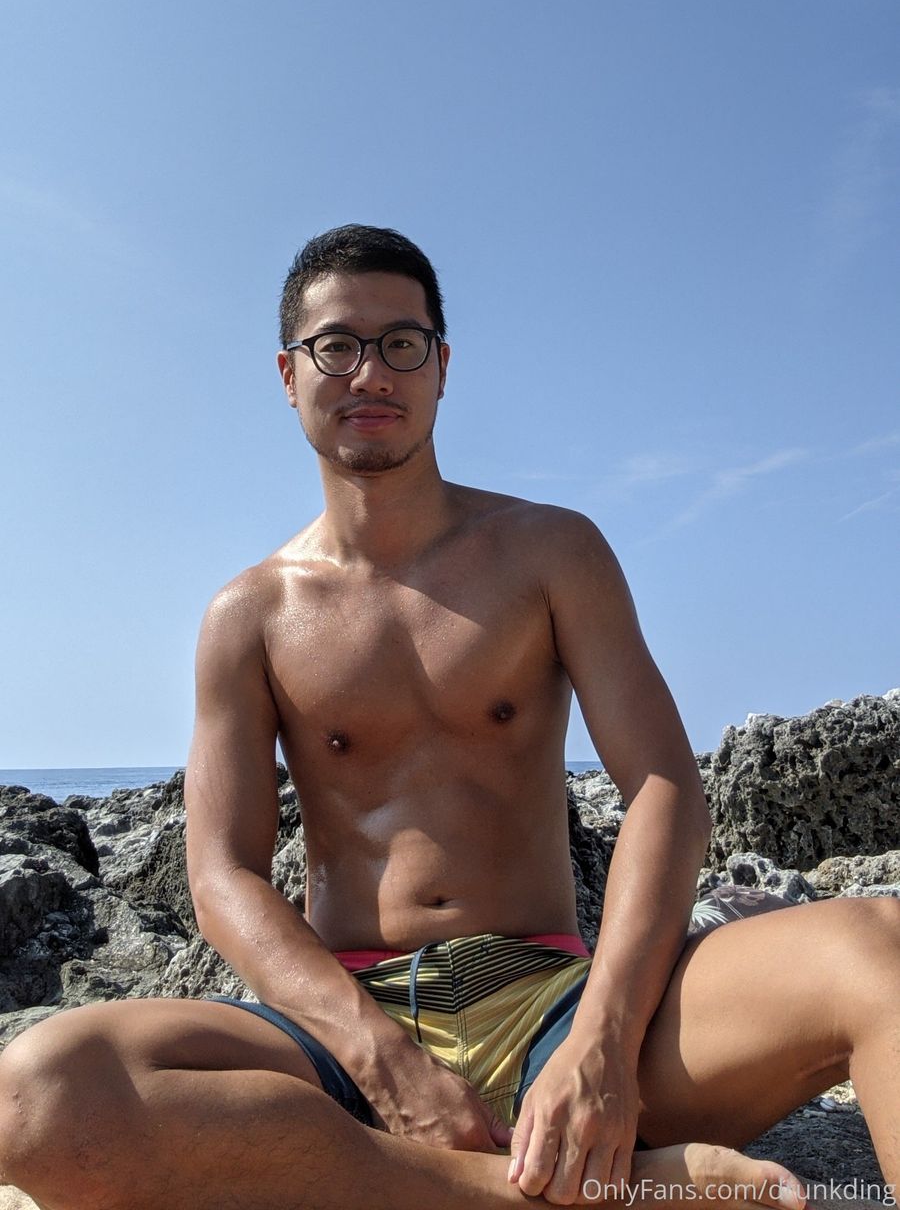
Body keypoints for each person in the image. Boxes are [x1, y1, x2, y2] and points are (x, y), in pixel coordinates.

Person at [1, 223, 898, 1210]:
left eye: (402, 342)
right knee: (38, 1095)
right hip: (343, 1026)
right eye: (335, 346)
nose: (370, 372)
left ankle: (438, 1179)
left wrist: (602, 1040)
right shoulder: (249, 616)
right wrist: (377, 1055)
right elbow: (221, 875)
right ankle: (585, 1190)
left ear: (441, 366)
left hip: (555, 995)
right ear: (289, 374)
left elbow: (661, 784)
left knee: (878, 947)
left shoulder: (551, 553)